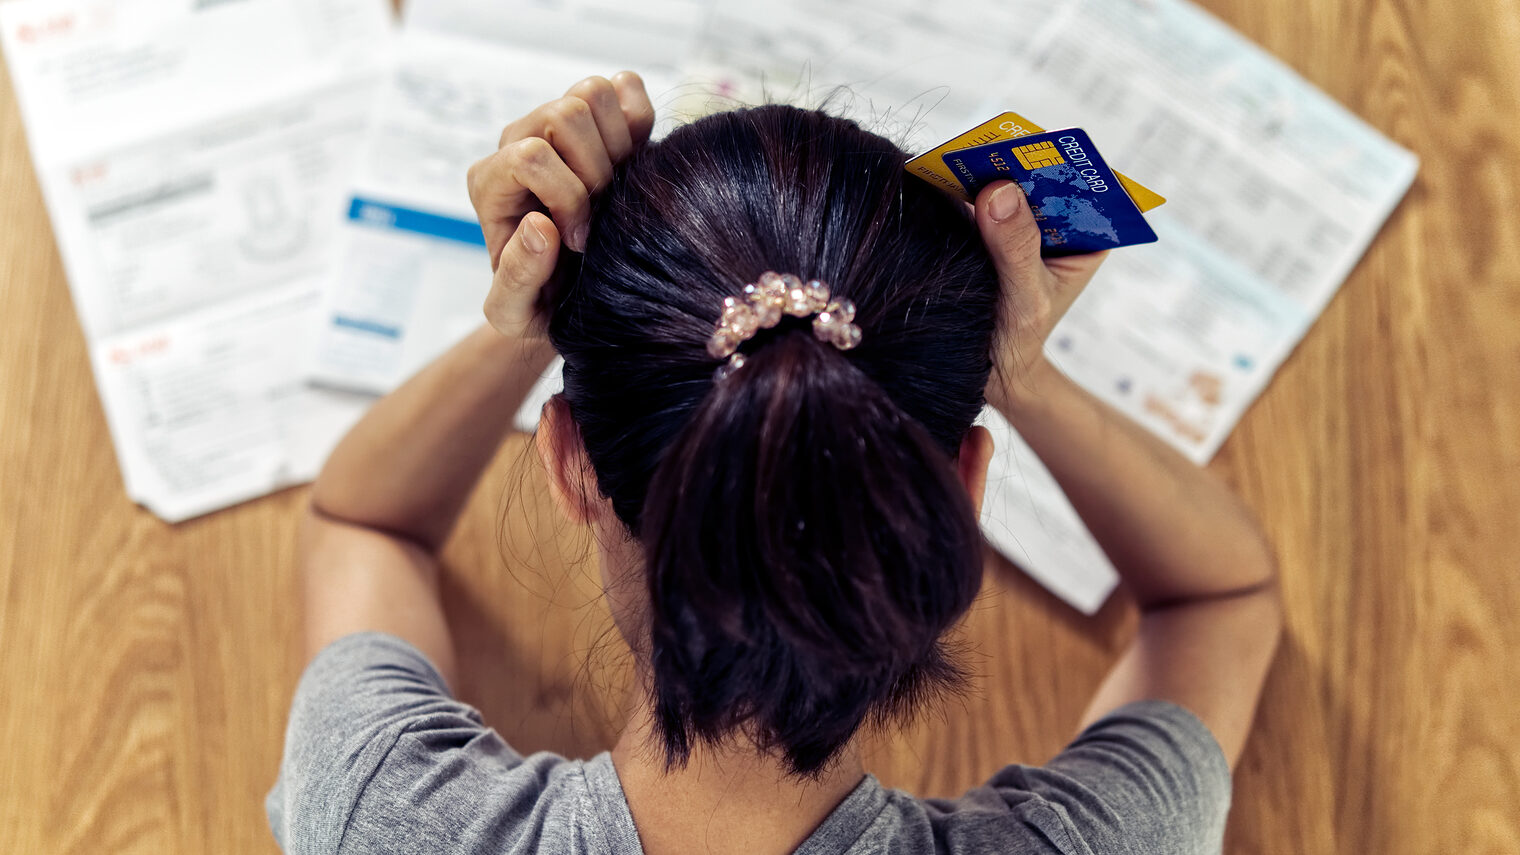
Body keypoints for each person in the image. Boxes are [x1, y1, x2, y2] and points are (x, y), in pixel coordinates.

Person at [268, 72, 1282, 855]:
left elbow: (365, 521)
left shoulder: (379, 813)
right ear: (960, 486)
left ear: (566, 460)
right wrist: (1021, 373)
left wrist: (530, 312)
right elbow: (1218, 597)